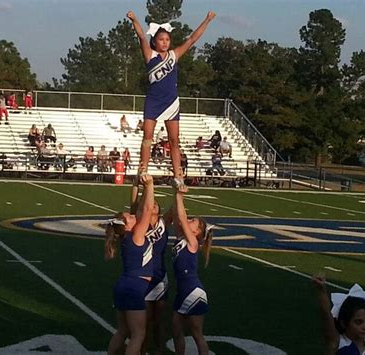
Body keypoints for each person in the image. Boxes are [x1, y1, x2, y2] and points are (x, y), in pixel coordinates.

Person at [127, 10, 216, 189]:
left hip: (171, 102)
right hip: (153, 101)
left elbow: (192, 40)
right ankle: (143, 170)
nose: (165, 42)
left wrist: (207, 20)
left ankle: (178, 176)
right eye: (161, 39)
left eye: (167, 39)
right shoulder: (150, 55)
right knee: (148, 137)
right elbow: (141, 37)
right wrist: (135, 19)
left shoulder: (174, 55)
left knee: (174, 141)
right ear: (155, 41)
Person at [106, 173, 155, 355]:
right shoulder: (136, 235)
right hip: (135, 286)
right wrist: (150, 185)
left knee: (123, 331)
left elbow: (138, 208)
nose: (135, 217)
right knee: (138, 335)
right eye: (131, 218)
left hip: (124, 285)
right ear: (126, 226)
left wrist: (137, 186)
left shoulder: (126, 236)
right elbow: (148, 209)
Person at [130, 172, 173, 355]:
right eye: (151, 203)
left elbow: (177, 208)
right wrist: (135, 186)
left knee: (159, 319)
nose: (152, 204)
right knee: (144, 320)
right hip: (144, 276)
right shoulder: (141, 222)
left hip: (160, 277)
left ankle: (159, 348)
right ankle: (143, 349)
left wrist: (178, 187)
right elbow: (135, 206)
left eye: (156, 204)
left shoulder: (163, 223)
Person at [171, 184, 213, 355]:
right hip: (183, 291)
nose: (188, 221)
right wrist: (176, 189)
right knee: (176, 331)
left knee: (197, 334)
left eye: (192, 222)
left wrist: (180, 196)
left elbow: (181, 217)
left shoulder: (193, 243)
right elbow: (177, 216)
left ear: (196, 232)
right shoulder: (181, 237)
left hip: (193, 291)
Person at [312, 274, 365, 355]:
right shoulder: (338, 342)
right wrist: (321, 290)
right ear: (344, 323)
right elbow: (326, 313)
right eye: (358, 322)